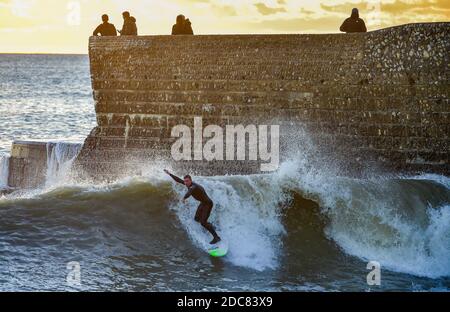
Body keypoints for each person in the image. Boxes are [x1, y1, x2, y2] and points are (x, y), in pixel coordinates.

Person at [164, 169, 221, 244]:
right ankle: (210, 226)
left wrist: (184, 197)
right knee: (197, 218)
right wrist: (169, 174)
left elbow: (189, 192)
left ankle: (216, 237)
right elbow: (179, 180)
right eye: (185, 181)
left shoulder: (193, 186)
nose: (185, 183)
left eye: (187, 181)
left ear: (191, 180)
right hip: (203, 203)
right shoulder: (188, 184)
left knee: (203, 222)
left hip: (208, 204)